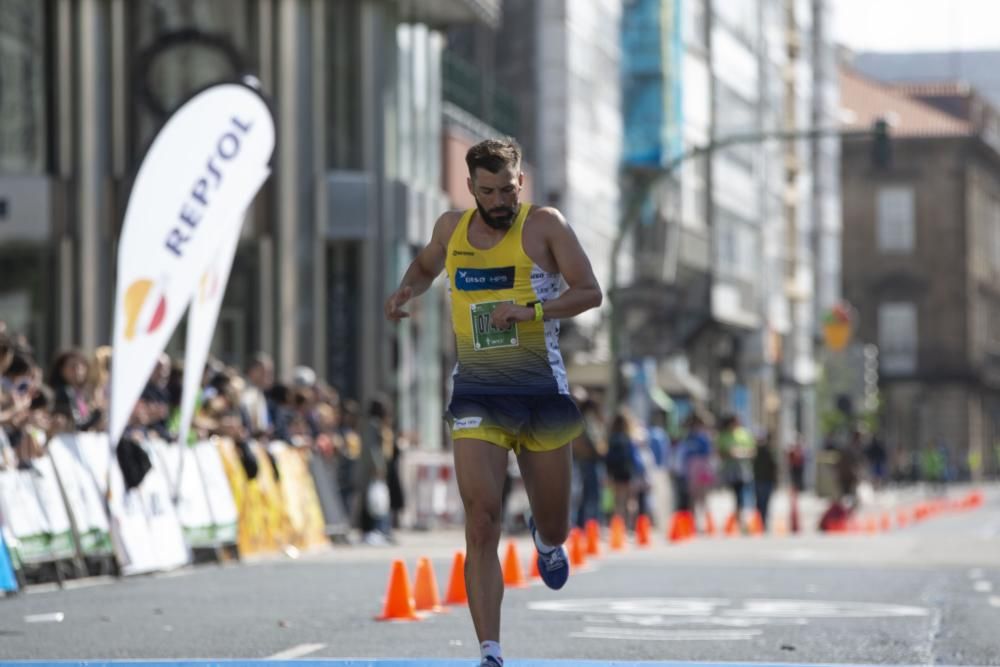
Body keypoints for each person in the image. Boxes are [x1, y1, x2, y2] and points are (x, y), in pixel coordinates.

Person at [384, 137, 602, 667]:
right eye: (489, 191)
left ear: (520, 182)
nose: (500, 200)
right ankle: (490, 651)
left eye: (508, 188)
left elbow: (589, 291)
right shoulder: (450, 228)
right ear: (471, 189)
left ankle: (547, 543)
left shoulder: (546, 225)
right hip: (477, 391)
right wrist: (405, 291)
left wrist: (530, 309)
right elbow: (425, 266)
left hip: (539, 390)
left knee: (554, 524)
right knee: (480, 520)